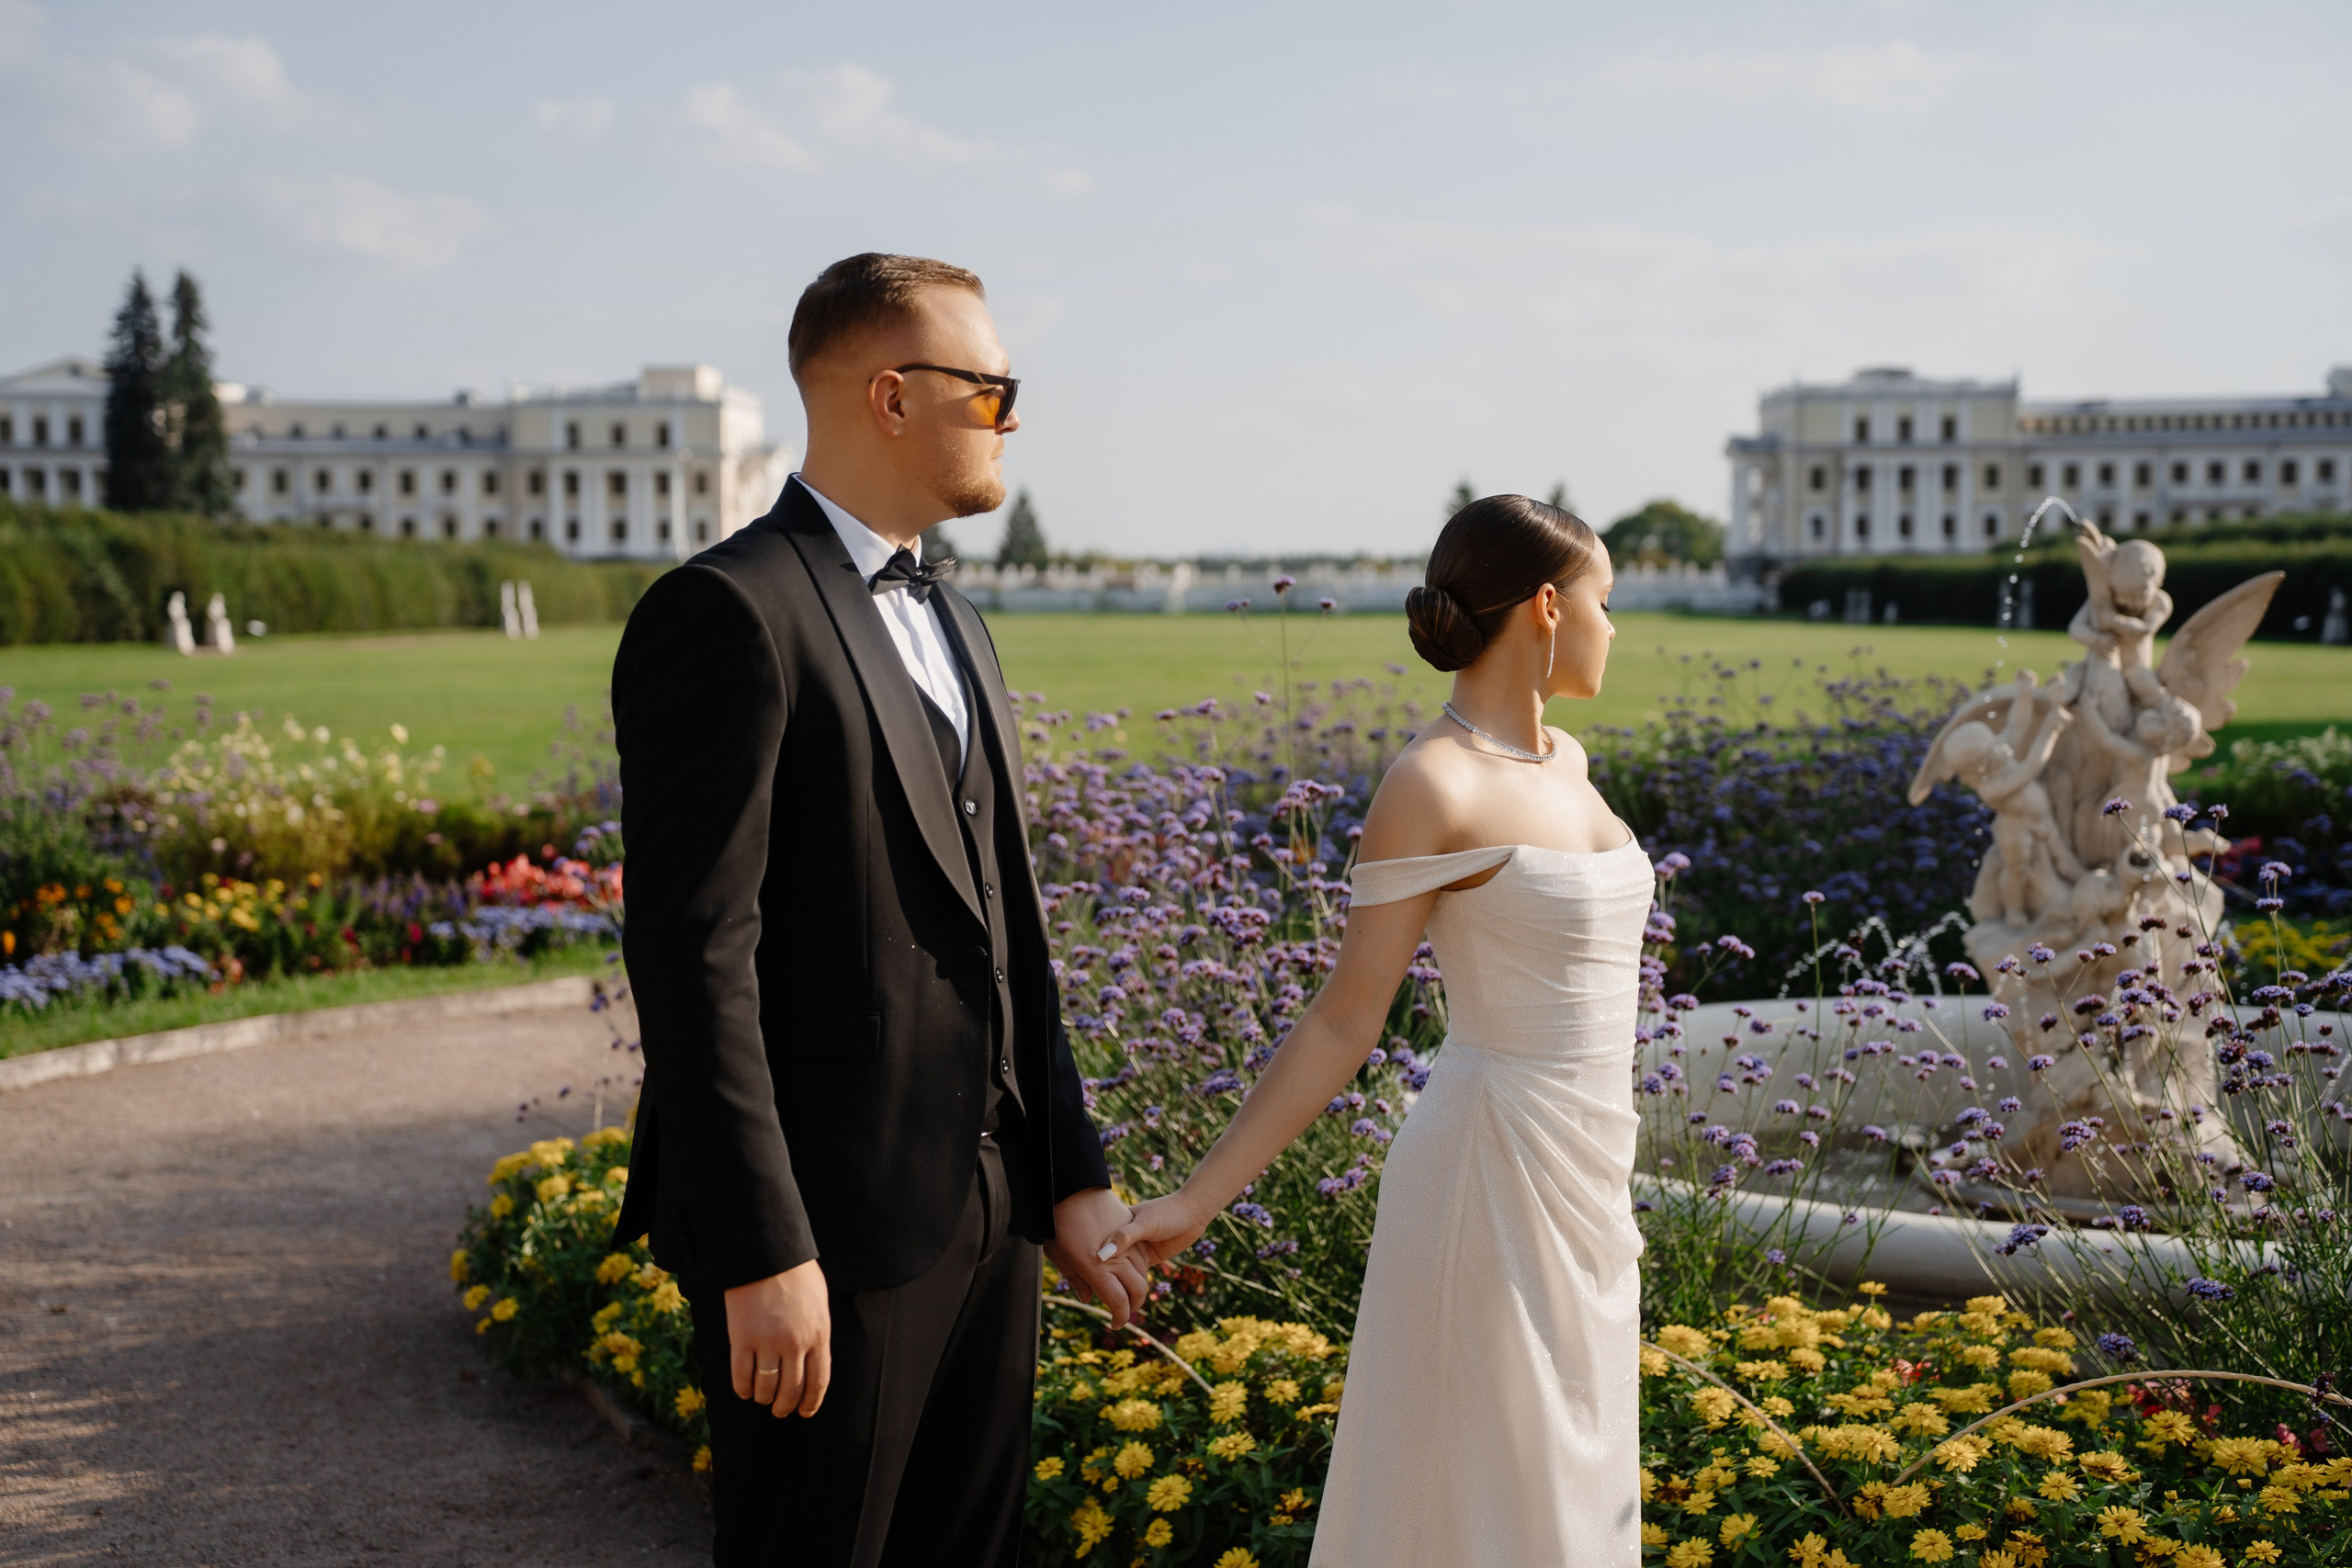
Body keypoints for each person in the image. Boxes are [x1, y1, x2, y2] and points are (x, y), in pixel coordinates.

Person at [608, 252, 1147, 1568]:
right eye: (994, 390)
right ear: (892, 396)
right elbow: (693, 959)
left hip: (992, 1212)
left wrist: (1071, 1175)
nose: (1011, 419)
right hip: (824, 1232)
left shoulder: (957, 618)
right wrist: (761, 1249)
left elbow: (1010, 930)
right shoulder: (725, 612)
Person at [1102, 495, 1648, 1566]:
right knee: (1491, 1499)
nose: (1614, 627)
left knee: (1575, 1499)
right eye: (1605, 601)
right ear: (1547, 607)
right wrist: (1195, 1201)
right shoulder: (1429, 783)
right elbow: (1344, 1019)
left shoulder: (1571, 764)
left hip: (1590, 1179)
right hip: (1489, 1177)